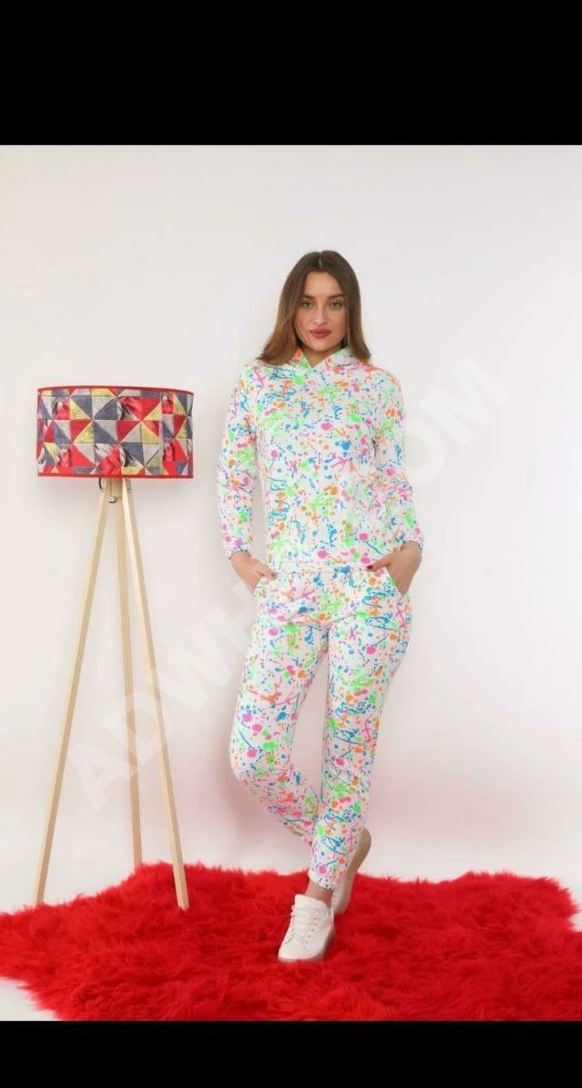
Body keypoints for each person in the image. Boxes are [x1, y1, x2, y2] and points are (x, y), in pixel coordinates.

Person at [216, 250, 424, 963]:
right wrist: (240, 555)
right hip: (292, 589)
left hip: (369, 589)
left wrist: (410, 553)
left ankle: (315, 895)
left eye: (335, 303)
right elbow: (234, 477)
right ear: (290, 307)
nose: (320, 317)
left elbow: (393, 480)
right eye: (308, 302)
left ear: (350, 310)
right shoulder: (259, 383)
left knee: (347, 750)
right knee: (252, 755)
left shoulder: (377, 387)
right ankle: (342, 842)